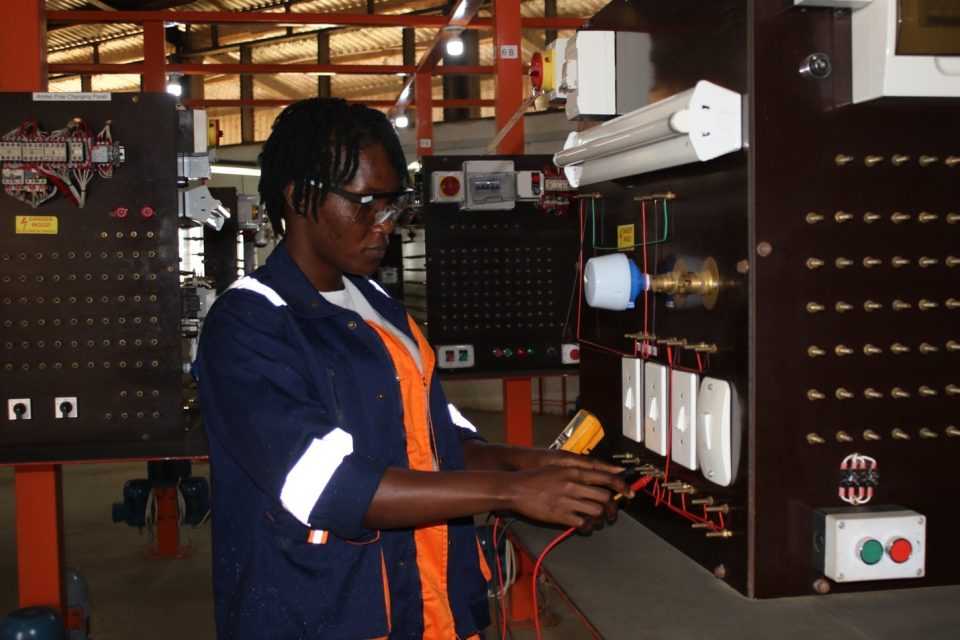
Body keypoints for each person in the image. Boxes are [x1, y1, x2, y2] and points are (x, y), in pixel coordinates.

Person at [196, 97, 631, 639]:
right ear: (298, 196)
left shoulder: (380, 309)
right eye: (366, 203)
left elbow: (438, 440)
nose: (386, 224)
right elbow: (331, 487)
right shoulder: (249, 325)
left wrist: (533, 466)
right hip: (322, 617)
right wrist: (510, 492)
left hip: (429, 609)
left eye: (393, 205)